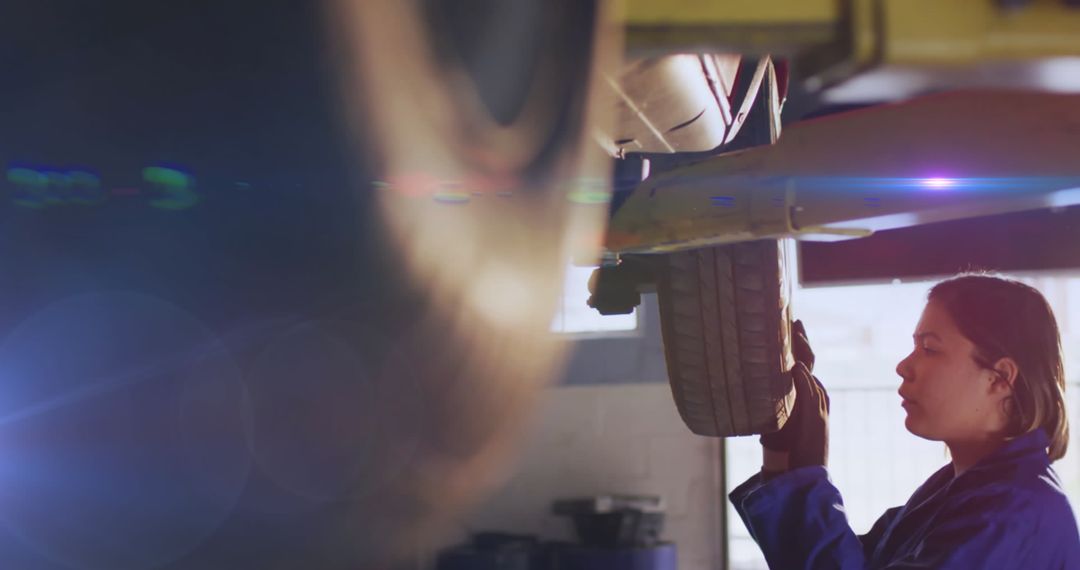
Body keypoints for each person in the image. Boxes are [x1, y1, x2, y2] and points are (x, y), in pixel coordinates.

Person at [729, 273, 1080, 568]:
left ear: (999, 379)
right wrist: (781, 450)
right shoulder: (964, 489)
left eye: (929, 349)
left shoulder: (1010, 515)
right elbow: (860, 561)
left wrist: (805, 474)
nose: (903, 366)